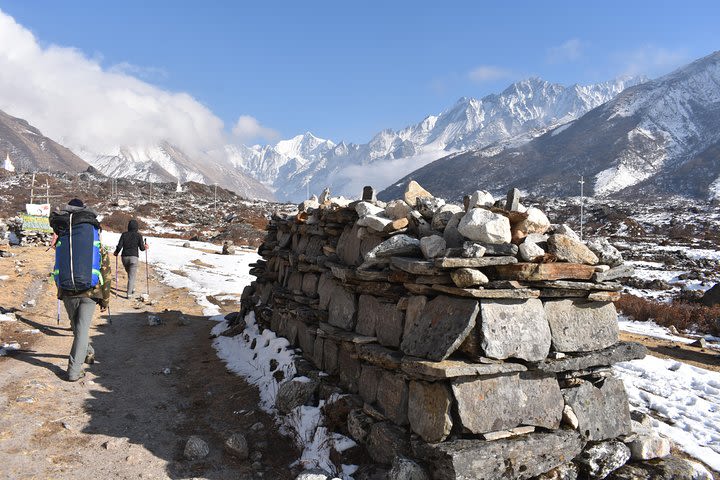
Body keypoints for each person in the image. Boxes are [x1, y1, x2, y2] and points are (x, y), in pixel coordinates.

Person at [49, 198, 111, 382]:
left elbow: (58, 267)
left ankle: (88, 352)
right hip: (89, 292)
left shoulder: (64, 238)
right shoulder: (94, 241)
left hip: (67, 290)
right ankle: (74, 371)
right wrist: (105, 300)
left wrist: (60, 291)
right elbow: (105, 271)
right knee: (81, 330)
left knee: (78, 329)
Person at [113, 219, 148, 298]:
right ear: (136, 227)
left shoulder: (124, 234)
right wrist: (146, 247)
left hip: (124, 257)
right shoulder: (139, 235)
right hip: (134, 258)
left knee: (130, 274)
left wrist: (116, 252)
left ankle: (132, 288)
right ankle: (129, 294)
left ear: (128, 226)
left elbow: (119, 246)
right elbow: (142, 248)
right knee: (131, 275)